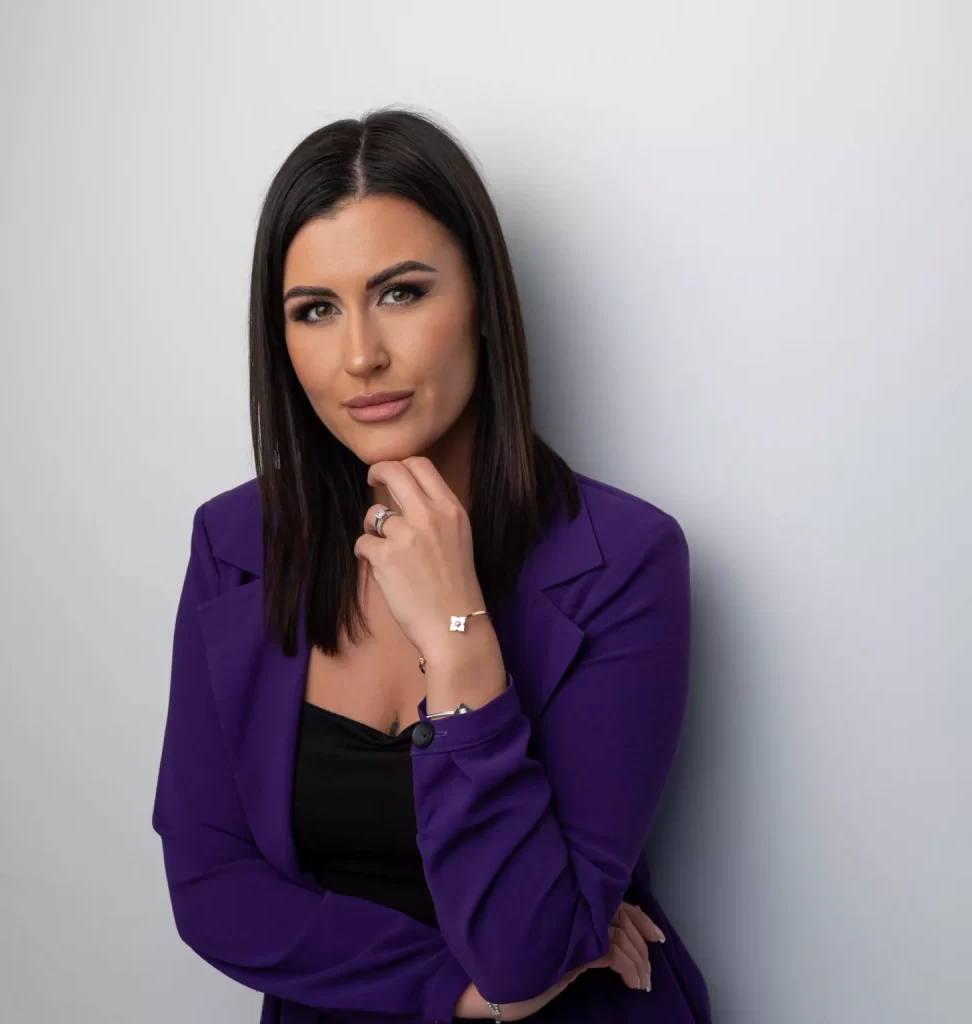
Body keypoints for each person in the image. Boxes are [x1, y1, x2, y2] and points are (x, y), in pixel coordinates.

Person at [152, 106, 711, 1023]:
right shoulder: (236, 545)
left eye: (402, 294)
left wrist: (458, 639)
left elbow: (526, 950)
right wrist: (461, 991)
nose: (361, 355)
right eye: (315, 310)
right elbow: (211, 885)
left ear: (483, 302)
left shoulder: (623, 561)